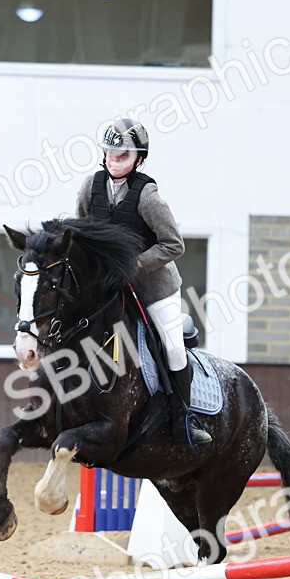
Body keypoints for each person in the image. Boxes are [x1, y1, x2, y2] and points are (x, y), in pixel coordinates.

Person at [76, 118, 211, 450]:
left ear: (139, 159)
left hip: (152, 289)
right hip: (107, 291)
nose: (112, 161)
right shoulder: (89, 188)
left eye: (121, 156)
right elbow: (81, 236)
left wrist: (134, 263)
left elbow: (173, 245)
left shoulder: (148, 196)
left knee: (173, 349)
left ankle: (184, 420)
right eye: (109, 154)